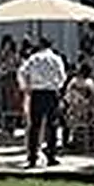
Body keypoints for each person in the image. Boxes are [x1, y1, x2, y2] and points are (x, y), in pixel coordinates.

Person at [17, 36, 67, 168]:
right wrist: (57, 86)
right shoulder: (56, 59)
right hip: (51, 93)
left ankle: (32, 157)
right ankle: (51, 156)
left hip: (37, 93)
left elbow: (22, 72)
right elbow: (62, 76)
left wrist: (26, 87)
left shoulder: (33, 59)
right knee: (52, 125)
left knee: (35, 126)